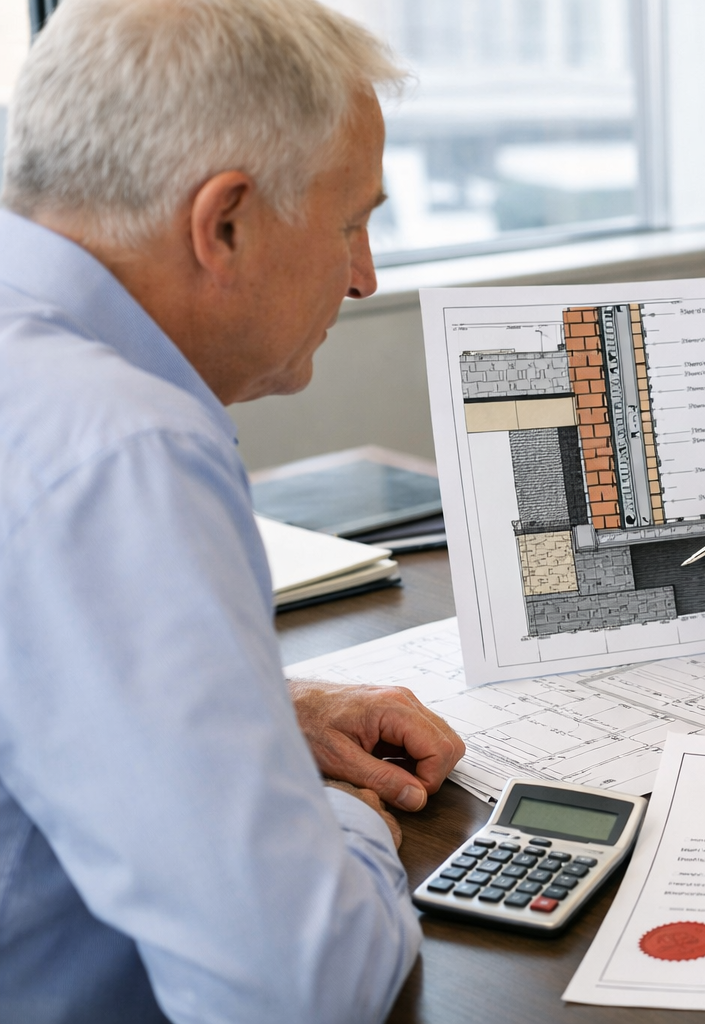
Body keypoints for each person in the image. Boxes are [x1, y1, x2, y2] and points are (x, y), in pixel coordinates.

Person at [0, 1, 466, 1021]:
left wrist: (266, 712)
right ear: (225, 223)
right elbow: (300, 983)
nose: (363, 275)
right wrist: (339, 821)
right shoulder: (123, 449)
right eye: (353, 221)